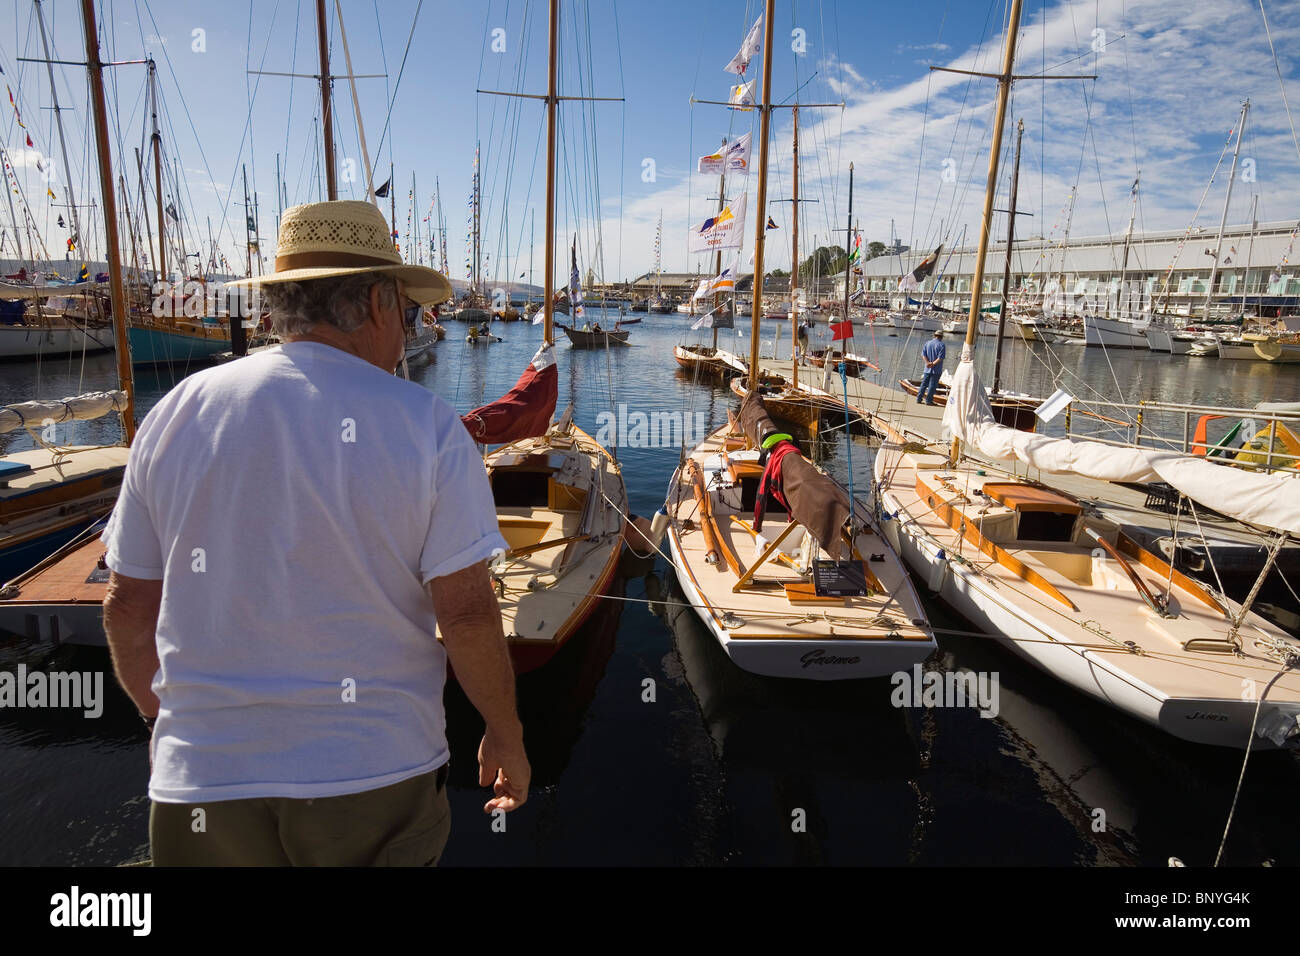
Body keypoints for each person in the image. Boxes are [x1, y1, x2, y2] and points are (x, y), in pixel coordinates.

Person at [102, 200, 529, 866]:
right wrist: (505, 734)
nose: (409, 327)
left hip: (203, 785)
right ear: (381, 302)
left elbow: (128, 606)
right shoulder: (427, 427)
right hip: (373, 773)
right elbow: (468, 616)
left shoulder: (175, 413)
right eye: (410, 310)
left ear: (277, 308)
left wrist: (167, 723)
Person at [918, 328, 946, 405]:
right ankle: (928, 401)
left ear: (934, 335)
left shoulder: (927, 343)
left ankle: (919, 399)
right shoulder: (942, 345)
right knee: (932, 386)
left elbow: (923, 355)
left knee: (923, 384)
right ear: (941, 337)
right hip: (936, 369)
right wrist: (933, 364)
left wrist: (927, 363)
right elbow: (940, 358)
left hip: (927, 368)